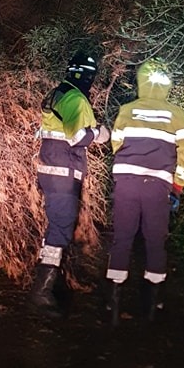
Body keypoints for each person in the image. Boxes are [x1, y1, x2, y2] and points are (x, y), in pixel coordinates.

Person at [106, 57, 184, 324]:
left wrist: (128, 168)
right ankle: (151, 308)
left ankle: (112, 304)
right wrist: (178, 185)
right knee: (155, 241)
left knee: (122, 238)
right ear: (167, 83)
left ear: (141, 81)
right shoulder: (177, 114)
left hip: (127, 182)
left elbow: (116, 142)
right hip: (158, 185)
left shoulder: (127, 110)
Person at [30, 50, 110, 316]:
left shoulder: (57, 93)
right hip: (63, 173)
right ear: (89, 76)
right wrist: (102, 134)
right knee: (61, 228)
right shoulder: (75, 98)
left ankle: (46, 285)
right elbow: (77, 136)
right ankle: (41, 294)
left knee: (57, 226)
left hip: (51, 170)